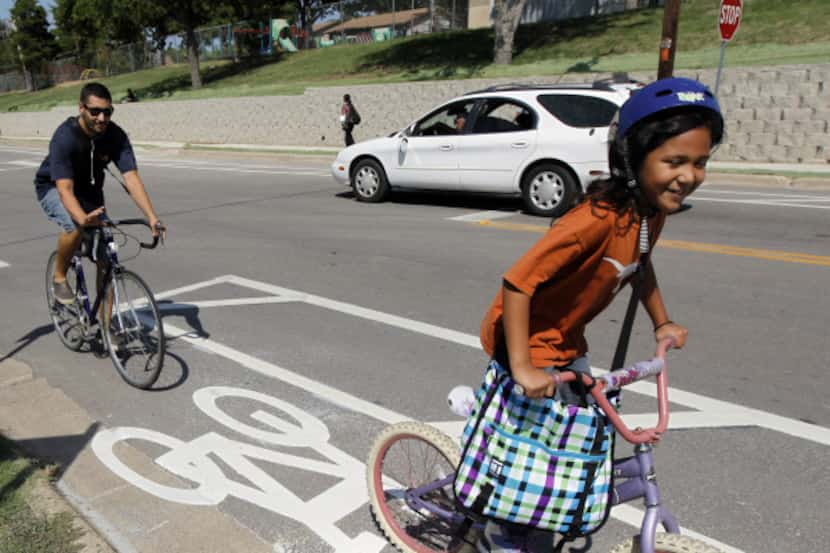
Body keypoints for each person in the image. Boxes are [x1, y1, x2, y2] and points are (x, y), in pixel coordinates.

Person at [476, 77, 724, 553]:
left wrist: (662, 322)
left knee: (584, 441)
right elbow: (517, 282)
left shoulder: (652, 211)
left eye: (700, 162)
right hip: (525, 344)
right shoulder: (593, 220)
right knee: (531, 465)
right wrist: (525, 367)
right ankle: (501, 533)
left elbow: (639, 266)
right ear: (634, 159)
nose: (688, 175)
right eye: (674, 162)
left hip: (568, 344)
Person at [35, 82, 165, 307]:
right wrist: (82, 219)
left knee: (107, 259)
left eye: (107, 112)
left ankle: (107, 329)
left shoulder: (115, 136)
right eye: (95, 111)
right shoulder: (65, 137)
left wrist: (152, 216)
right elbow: (65, 190)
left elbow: (131, 178)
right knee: (74, 226)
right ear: (81, 108)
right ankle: (59, 277)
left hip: (90, 193)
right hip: (54, 187)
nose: (101, 118)